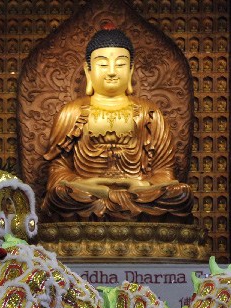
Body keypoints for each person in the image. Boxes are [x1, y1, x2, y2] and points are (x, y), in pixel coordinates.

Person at [42, 25, 192, 222]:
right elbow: (57, 171)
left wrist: (142, 186)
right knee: (59, 195)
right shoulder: (71, 112)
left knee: (180, 194)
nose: (112, 72)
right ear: (88, 70)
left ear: (130, 70)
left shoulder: (150, 113)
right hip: (89, 195)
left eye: (120, 64)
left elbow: (164, 171)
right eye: (103, 65)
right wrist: (87, 184)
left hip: (140, 195)